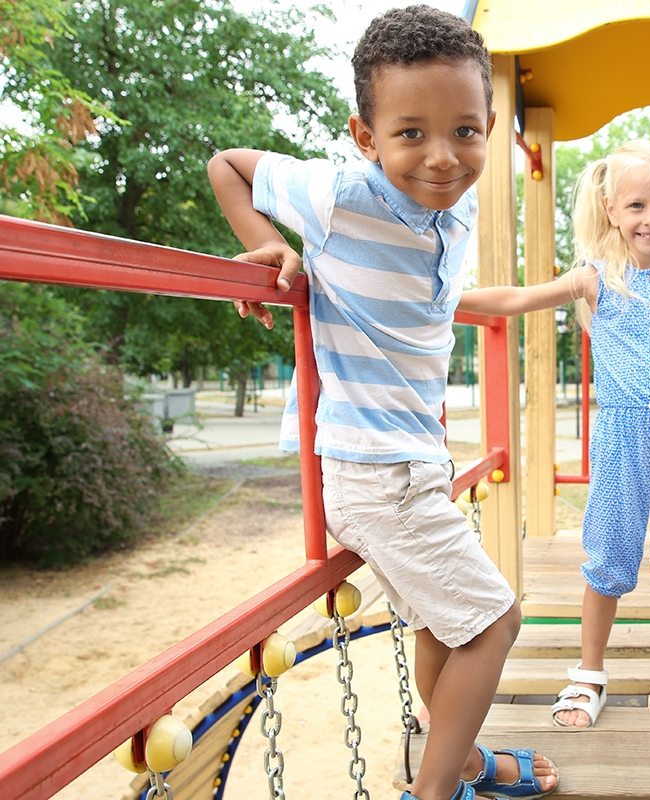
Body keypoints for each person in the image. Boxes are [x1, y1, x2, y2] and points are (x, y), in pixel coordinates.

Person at [206, 7, 558, 800]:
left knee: (445, 623)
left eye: (465, 131)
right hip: (375, 469)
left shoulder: (458, 203)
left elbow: (462, 296)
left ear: (492, 128)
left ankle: (461, 762)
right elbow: (228, 163)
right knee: (496, 622)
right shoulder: (337, 196)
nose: (442, 157)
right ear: (366, 136)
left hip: (414, 462)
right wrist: (268, 241)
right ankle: (436, 789)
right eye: (410, 134)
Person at [459, 139, 650, 730]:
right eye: (637, 205)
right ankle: (589, 673)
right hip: (622, 437)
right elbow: (516, 299)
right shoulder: (596, 279)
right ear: (611, 208)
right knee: (609, 560)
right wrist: (442, 301)